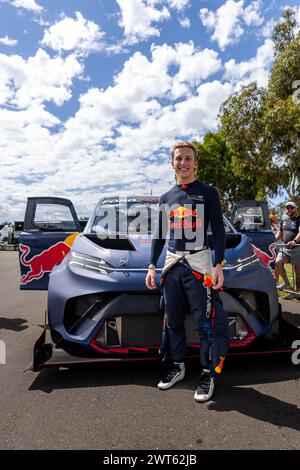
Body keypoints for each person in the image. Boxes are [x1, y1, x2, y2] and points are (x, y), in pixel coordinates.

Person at [145, 141, 229, 402]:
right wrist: (151, 266)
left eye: (188, 158)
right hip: (171, 265)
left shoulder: (208, 192)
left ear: (196, 163)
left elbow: (219, 231)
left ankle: (207, 373)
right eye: (178, 158)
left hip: (199, 263)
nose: (183, 163)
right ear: (172, 163)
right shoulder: (166, 197)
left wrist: (218, 266)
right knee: (173, 321)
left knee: (205, 323)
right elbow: (159, 235)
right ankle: (178, 366)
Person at [275, 201, 300, 290]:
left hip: (297, 248)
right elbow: (280, 233)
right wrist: (273, 240)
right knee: (278, 262)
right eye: (287, 208)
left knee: (298, 272)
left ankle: (298, 289)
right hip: (285, 248)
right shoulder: (283, 220)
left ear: (295, 209)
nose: (289, 209)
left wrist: (295, 241)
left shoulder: (298, 219)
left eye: (291, 208)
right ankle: (287, 285)